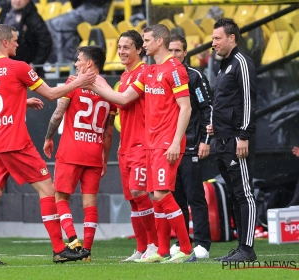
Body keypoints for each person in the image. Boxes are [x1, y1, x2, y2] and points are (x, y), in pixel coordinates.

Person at [0, 24, 96, 265]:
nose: (18, 44)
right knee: (47, 190)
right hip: (15, 141)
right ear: (6, 43)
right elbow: (51, 94)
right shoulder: (19, 67)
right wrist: (79, 81)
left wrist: (21, 101)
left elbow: (0, 98)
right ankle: (60, 249)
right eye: (15, 40)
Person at [90, 24, 195, 263]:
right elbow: (125, 98)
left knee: (161, 194)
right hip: (150, 142)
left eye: (146, 40)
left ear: (159, 41)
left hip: (166, 141)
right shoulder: (148, 72)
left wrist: (176, 142)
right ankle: (162, 251)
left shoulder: (175, 69)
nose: (144, 44)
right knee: (156, 196)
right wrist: (92, 83)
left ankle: (187, 250)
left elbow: (186, 108)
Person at [43, 46, 116, 262]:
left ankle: (73, 241)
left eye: (79, 60)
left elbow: (58, 113)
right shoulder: (109, 93)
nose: (76, 64)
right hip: (94, 152)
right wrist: (104, 157)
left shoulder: (73, 84)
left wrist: (48, 137)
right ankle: (87, 251)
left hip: (71, 151)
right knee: (90, 204)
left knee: (60, 197)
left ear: (90, 64)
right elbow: (109, 132)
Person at [207, 18, 257, 262]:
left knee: (245, 193)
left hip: (237, 139)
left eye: (217, 38)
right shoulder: (224, 65)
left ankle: (247, 249)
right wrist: (214, 126)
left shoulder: (241, 63)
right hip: (223, 140)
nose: (213, 43)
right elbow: (224, 101)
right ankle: (240, 248)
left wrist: (244, 135)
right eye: (213, 38)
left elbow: (248, 100)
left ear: (232, 38)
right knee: (235, 194)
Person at [115, 30, 159, 262]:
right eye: (119, 47)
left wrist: (91, 84)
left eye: (127, 47)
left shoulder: (144, 72)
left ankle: (155, 244)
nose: (121, 51)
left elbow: (122, 100)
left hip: (141, 145)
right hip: (125, 145)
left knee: (139, 192)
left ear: (139, 50)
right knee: (132, 199)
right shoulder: (124, 76)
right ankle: (141, 248)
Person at [168, 34, 212, 259]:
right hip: (170, 147)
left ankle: (203, 243)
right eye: (171, 50)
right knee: (177, 198)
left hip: (192, 144)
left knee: (195, 196)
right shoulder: (164, 75)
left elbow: (207, 109)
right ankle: (183, 241)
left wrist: (205, 140)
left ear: (185, 53)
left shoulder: (194, 77)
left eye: (178, 51)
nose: (174, 55)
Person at [46, 0, 112, 64]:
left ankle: (66, 60)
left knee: (59, 24)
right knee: (48, 24)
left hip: (96, 10)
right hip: (82, 9)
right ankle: (57, 60)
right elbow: (74, 4)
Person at [0, 0, 52, 77]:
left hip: (26, 71)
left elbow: (46, 41)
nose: (17, 1)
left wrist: (35, 64)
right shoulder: (4, 12)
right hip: (5, 68)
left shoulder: (33, 17)